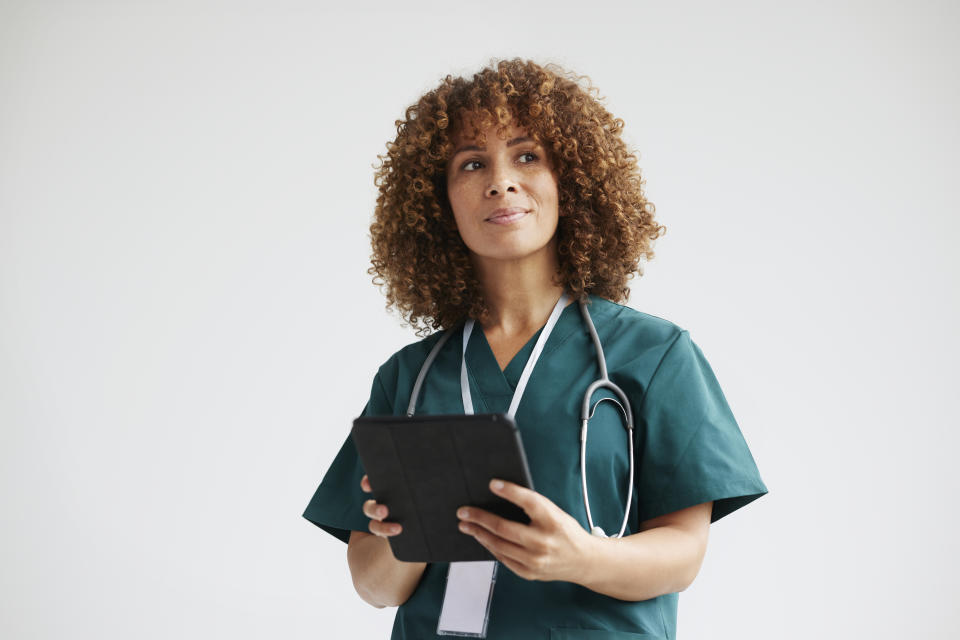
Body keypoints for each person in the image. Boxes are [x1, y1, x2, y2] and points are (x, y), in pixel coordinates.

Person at [302, 58, 767, 639]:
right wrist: (406, 534)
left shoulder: (654, 354)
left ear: (568, 179)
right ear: (438, 200)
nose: (501, 180)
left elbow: (684, 554)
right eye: (472, 164)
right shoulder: (410, 378)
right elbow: (375, 587)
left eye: (527, 155)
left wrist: (583, 559)